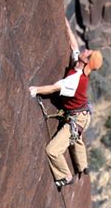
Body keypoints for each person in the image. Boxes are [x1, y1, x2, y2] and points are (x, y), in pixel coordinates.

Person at [29, 18, 103, 189]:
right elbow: (74, 46)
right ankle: (83, 166)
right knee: (76, 138)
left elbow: (54, 88)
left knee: (53, 150)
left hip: (77, 118)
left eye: (89, 53)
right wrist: (67, 26)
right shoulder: (79, 66)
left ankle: (65, 175)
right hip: (82, 115)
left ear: (87, 61)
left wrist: (36, 90)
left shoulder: (75, 79)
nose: (87, 50)